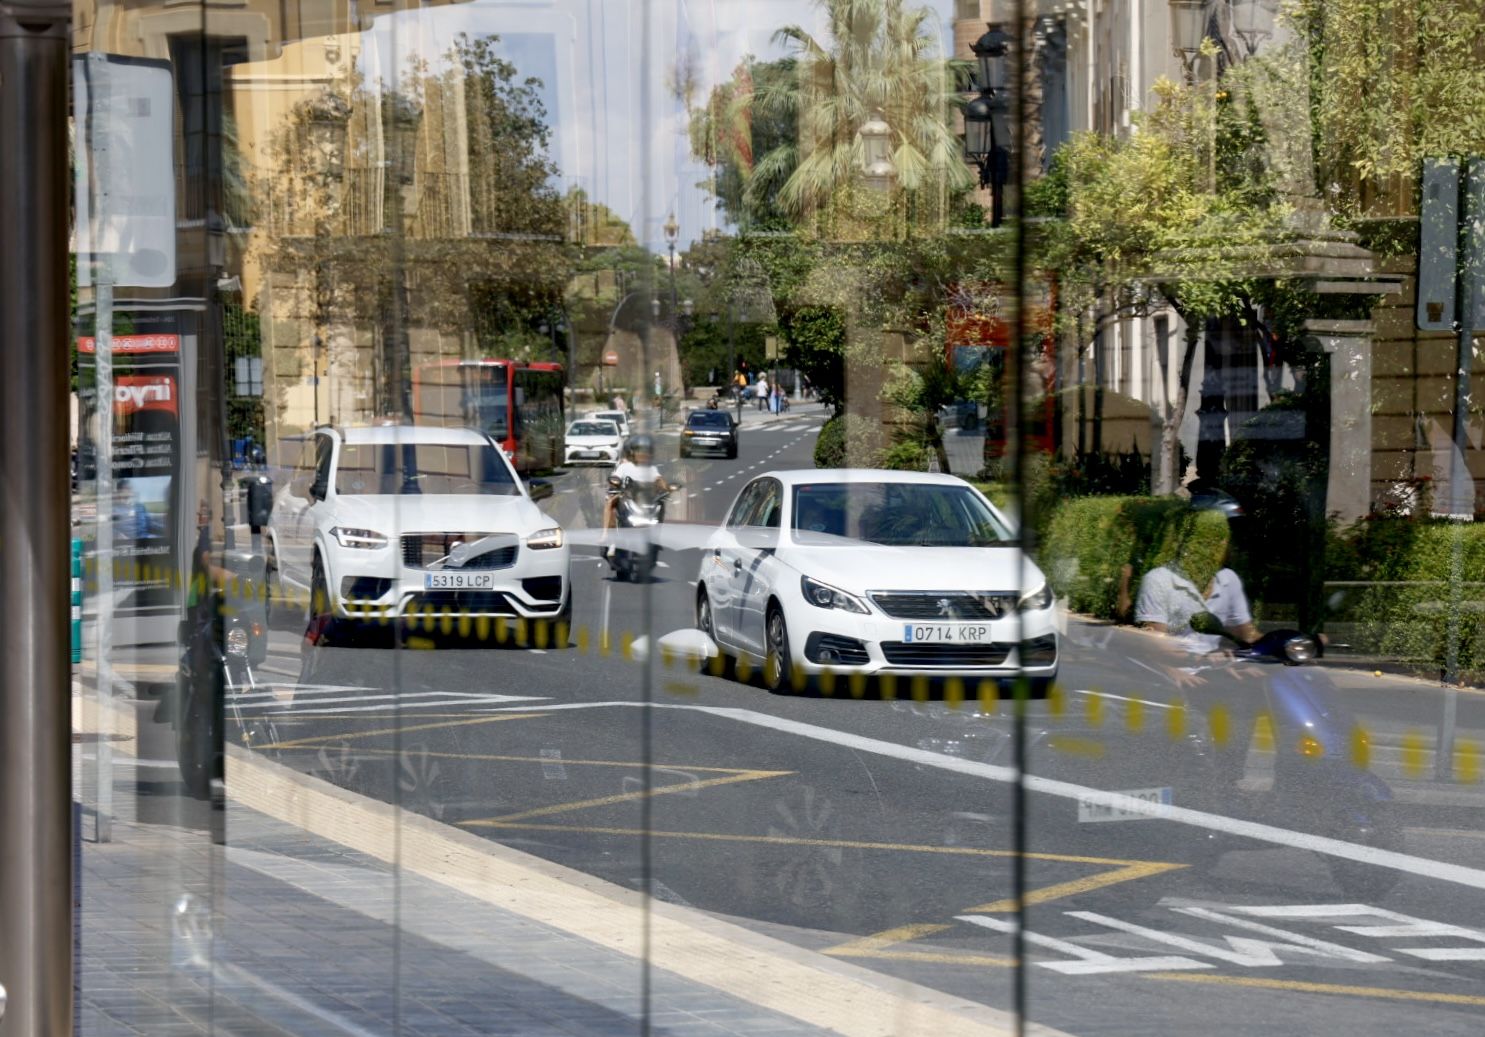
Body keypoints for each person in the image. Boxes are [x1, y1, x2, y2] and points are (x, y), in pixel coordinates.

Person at [602, 434, 669, 553]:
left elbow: (659, 479)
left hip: (646, 501)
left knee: (661, 504)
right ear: (633, 453)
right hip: (627, 498)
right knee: (610, 502)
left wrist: (665, 487)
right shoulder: (625, 466)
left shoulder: (651, 468)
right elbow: (615, 478)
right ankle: (607, 535)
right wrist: (615, 483)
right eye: (639, 452)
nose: (642, 455)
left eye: (645, 452)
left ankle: (656, 537)